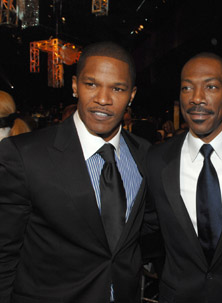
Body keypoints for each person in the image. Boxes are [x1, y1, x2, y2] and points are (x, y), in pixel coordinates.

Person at [0, 41, 151, 303]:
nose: (103, 99)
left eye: (117, 88)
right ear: (74, 86)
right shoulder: (25, 154)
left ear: (132, 95)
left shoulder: (146, 155)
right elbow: (4, 253)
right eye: (91, 84)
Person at [144, 52, 222, 303]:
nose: (197, 98)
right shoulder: (157, 159)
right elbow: (146, 225)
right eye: (187, 88)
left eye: (211, 87)